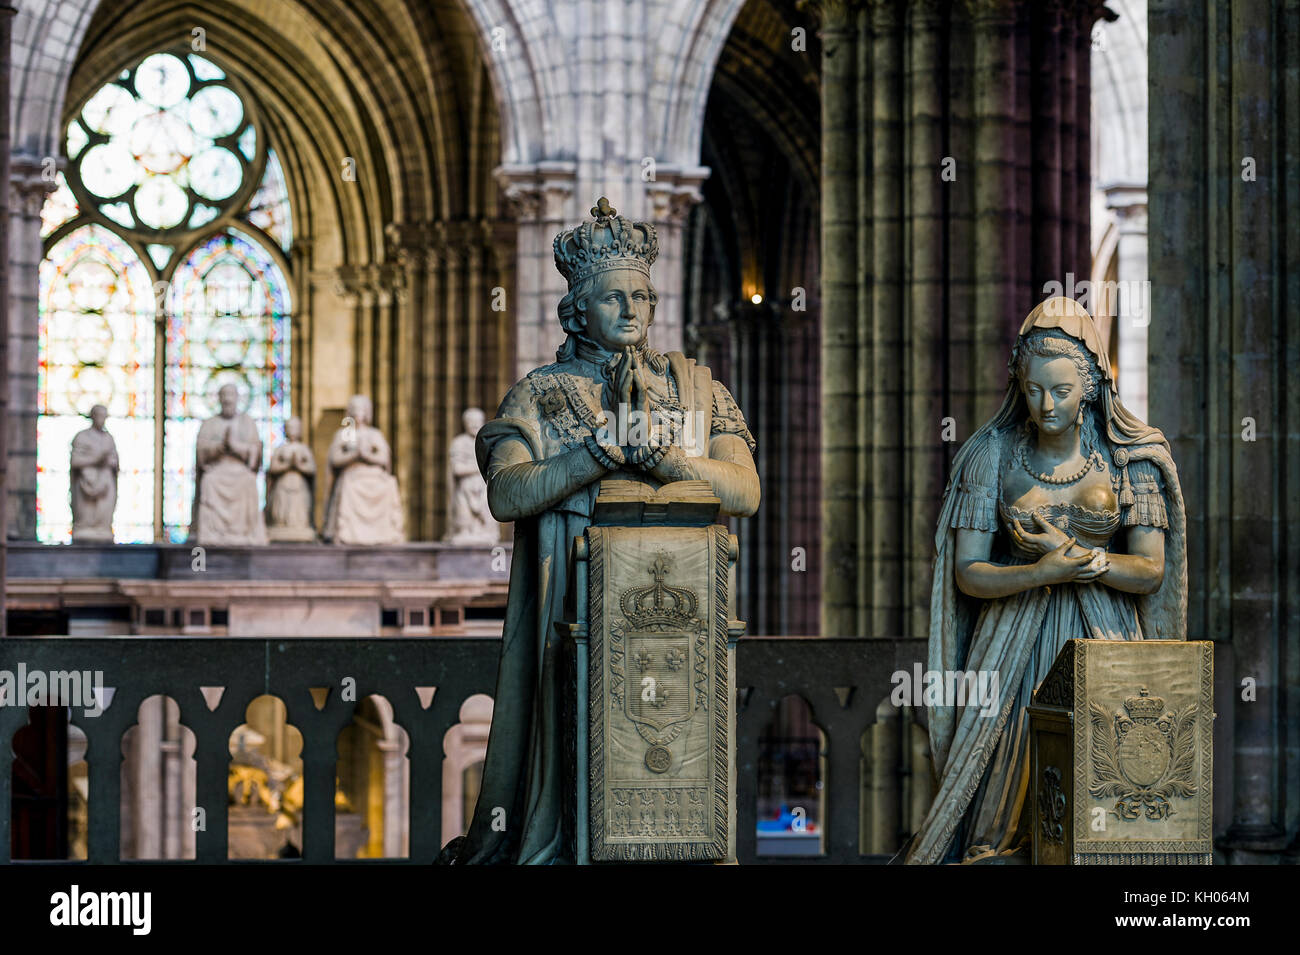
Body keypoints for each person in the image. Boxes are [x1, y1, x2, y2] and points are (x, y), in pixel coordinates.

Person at [442, 198, 760, 864]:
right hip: (574, 612)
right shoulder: (540, 393)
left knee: (674, 765)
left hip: (681, 624)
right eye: (612, 297)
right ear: (577, 309)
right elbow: (507, 492)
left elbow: (744, 490)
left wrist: (670, 460)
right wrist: (598, 453)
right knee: (578, 763)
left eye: (641, 296)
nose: (632, 310)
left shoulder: (695, 391)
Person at [905, 296, 1187, 864]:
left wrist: (1073, 559)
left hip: (1102, 638)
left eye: (1060, 391)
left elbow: (1152, 572)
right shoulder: (992, 455)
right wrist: (1042, 571)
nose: (1046, 404)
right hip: (1010, 642)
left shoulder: (1131, 460)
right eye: (1034, 390)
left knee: (1110, 784)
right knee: (997, 789)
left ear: (1090, 386)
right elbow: (967, 575)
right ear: (1019, 383)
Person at [322, 394, 404, 544]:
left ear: (367, 412)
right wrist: (354, 455)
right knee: (348, 484)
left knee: (389, 484)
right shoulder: (343, 434)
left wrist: (366, 456)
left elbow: (384, 459)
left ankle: (384, 533)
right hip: (353, 475)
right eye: (354, 410)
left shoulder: (375, 434)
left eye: (361, 409)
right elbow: (335, 460)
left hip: (373, 476)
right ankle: (347, 533)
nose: (357, 413)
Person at [192, 383, 268, 545]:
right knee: (209, 481)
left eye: (231, 395)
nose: (227, 400)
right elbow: (201, 455)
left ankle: (245, 533)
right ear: (219, 399)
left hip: (239, 470)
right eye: (224, 396)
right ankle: (212, 533)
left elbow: (255, 454)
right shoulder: (209, 423)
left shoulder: (248, 423)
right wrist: (220, 447)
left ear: (237, 399)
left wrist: (235, 446)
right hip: (218, 469)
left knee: (248, 481)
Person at [69, 404, 118, 542]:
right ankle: (85, 528)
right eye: (99, 416)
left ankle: (102, 529)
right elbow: (75, 461)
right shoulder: (81, 437)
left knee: (103, 512)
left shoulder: (109, 439)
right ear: (92, 417)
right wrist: (95, 459)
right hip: (86, 481)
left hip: (105, 482)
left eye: (104, 417)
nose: (102, 420)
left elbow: (114, 461)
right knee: (86, 517)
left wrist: (106, 461)